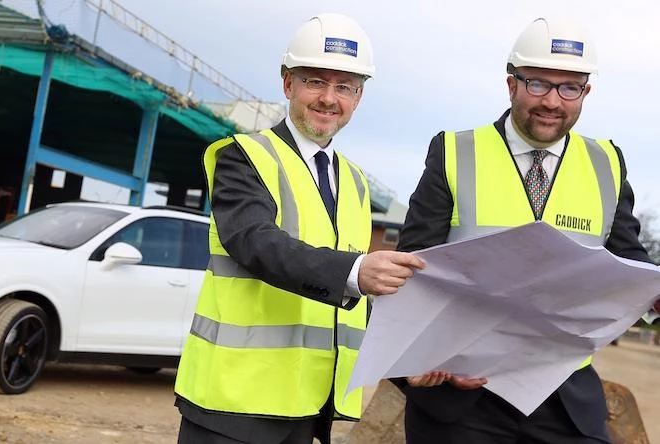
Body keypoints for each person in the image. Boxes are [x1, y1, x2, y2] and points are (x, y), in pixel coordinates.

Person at [395, 17, 653, 443]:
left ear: (585, 92)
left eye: (569, 88)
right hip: (462, 397)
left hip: (565, 400)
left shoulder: (607, 162)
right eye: (538, 84)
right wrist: (430, 358)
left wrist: (653, 293)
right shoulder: (455, 152)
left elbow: (629, 259)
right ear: (511, 83)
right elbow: (411, 266)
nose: (552, 100)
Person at [173, 13, 425, 444]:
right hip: (233, 404)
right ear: (288, 84)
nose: (329, 98)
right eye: (315, 82)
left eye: (344, 87)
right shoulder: (243, 157)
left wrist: (402, 362)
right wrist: (356, 271)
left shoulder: (355, 183)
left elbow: (355, 299)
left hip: (308, 408)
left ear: (359, 97)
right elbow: (255, 242)